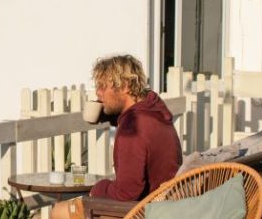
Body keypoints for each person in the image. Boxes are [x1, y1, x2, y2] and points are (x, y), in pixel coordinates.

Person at [51, 54, 182, 219]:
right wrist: (107, 115)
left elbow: (127, 193)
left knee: (58, 211)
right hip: (166, 205)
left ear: (125, 86)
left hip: (143, 211)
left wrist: (99, 188)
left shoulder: (133, 127)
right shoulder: (153, 112)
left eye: (103, 86)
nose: (98, 93)